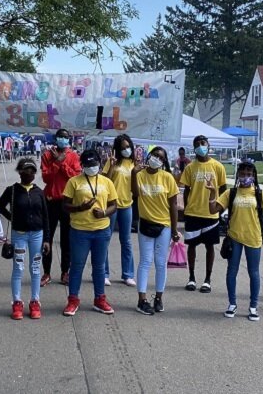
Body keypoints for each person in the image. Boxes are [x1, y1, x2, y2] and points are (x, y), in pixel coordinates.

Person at [205, 162, 263, 322]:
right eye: (242, 173)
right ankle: (232, 304)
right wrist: (212, 193)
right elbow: (213, 210)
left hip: (254, 237)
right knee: (231, 271)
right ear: (238, 175)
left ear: (253, 176)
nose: (245, 177)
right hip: (234, 237)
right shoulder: (231, 193)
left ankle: (253, 306)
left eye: (249, 174)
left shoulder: (259, 194)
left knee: (253, 272)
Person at [62, 149, 118, 316]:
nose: (91, 167)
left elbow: (114, 204)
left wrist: (104, 213)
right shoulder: (74, 182)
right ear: (82, 165)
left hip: (101, 230)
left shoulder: (107, 182)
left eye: (94, 164)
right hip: (80, 230)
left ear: (99, 164)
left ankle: (100, 299)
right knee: (77, 266)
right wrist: (80, 208)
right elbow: (64, 205)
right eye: (87, 164)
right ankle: (73, 300)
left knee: (99, 267)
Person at [0, 157, 50, 320]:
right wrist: (12, 217)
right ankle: (17, 302)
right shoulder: (12, 190)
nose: (30, 174)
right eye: (26, 170)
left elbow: (46, 216)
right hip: (18, 235)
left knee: (35, 269)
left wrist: (47, 238)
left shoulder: (39, 192)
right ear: (20, 172)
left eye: (33, 171)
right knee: (18, 269)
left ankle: (35, 301)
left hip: (37, 235)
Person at [131, 146, 180, 315]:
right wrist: (133, 173)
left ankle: (159, 298)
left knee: (160, 263)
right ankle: (141, 299)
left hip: (164, 226)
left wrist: (175, 229)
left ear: (164, 161)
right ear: (148, 156)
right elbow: (135, 194)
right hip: (145, 223)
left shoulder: (167, 178)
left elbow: (173, 204)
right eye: (154, 155)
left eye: (160, 157)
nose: (156, 159)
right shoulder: (140, 175)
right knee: (145, 261)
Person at [179, 135, 227, 293]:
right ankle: (191, 277)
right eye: (197, 144)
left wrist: (220, 208)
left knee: (210, 246)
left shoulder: (218, 166)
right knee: (191, 246)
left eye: (203, 143)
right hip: (193, 213)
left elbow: (223, 190)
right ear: (193, 148)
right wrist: (186, 209)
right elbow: (186, 190)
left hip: (211, 214)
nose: (201, 146)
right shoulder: (190, 167)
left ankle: (207, 279)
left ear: (208, 145)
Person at [40, 128, 81, 286]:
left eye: (65, 137)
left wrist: (62, 162)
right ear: (55, 138)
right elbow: (46, 178)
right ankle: (46, 273)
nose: (63, 139)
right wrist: (56, 161)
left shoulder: (73, 156)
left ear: (69, 139)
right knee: (47, 238)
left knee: (66, 240)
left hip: (67, 202)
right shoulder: (46, 155)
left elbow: (75, 178)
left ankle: (65, 272)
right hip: (50, 201)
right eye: (60, 137)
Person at [101, 134, 137, 287]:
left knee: (126, 240)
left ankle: (128, 274)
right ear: (117, 149)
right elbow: (104, 181)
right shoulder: (112, 162)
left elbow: (136, 188)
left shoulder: (134, 164)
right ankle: (104, 273)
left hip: (127, 205)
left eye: (128, 147)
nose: (126, 150)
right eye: (122, 148)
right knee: (106, 239)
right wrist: (113, 166)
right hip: (111, 205)